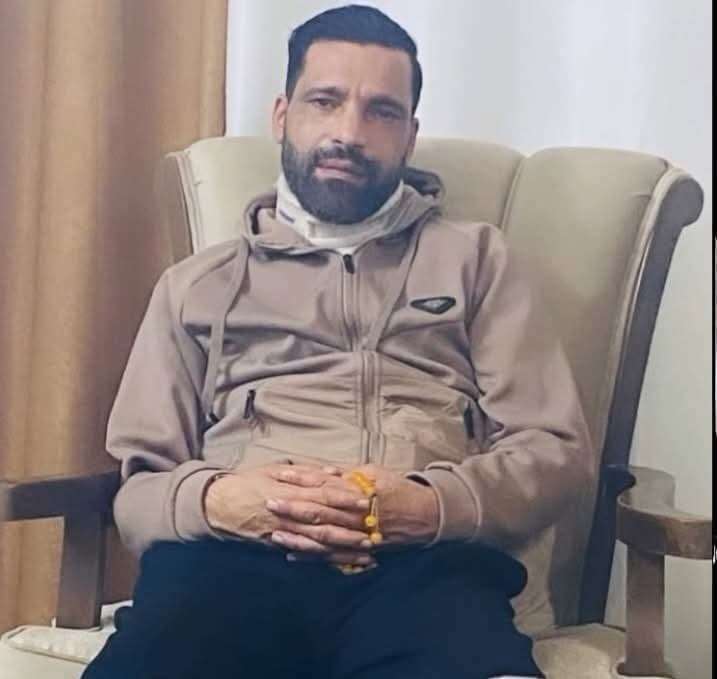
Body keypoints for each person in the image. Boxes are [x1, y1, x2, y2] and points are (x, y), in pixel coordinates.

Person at [83, 5, 593, 678]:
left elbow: (553, 452)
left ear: (409, 136)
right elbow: (138, 489)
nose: (348, 133)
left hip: (427, 569)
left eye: (381, 111)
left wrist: (430, 505)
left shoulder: (477, 261)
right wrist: (221, 501)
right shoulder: (195, 287)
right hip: (227, 567)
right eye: (325, 101)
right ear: (282, 114)